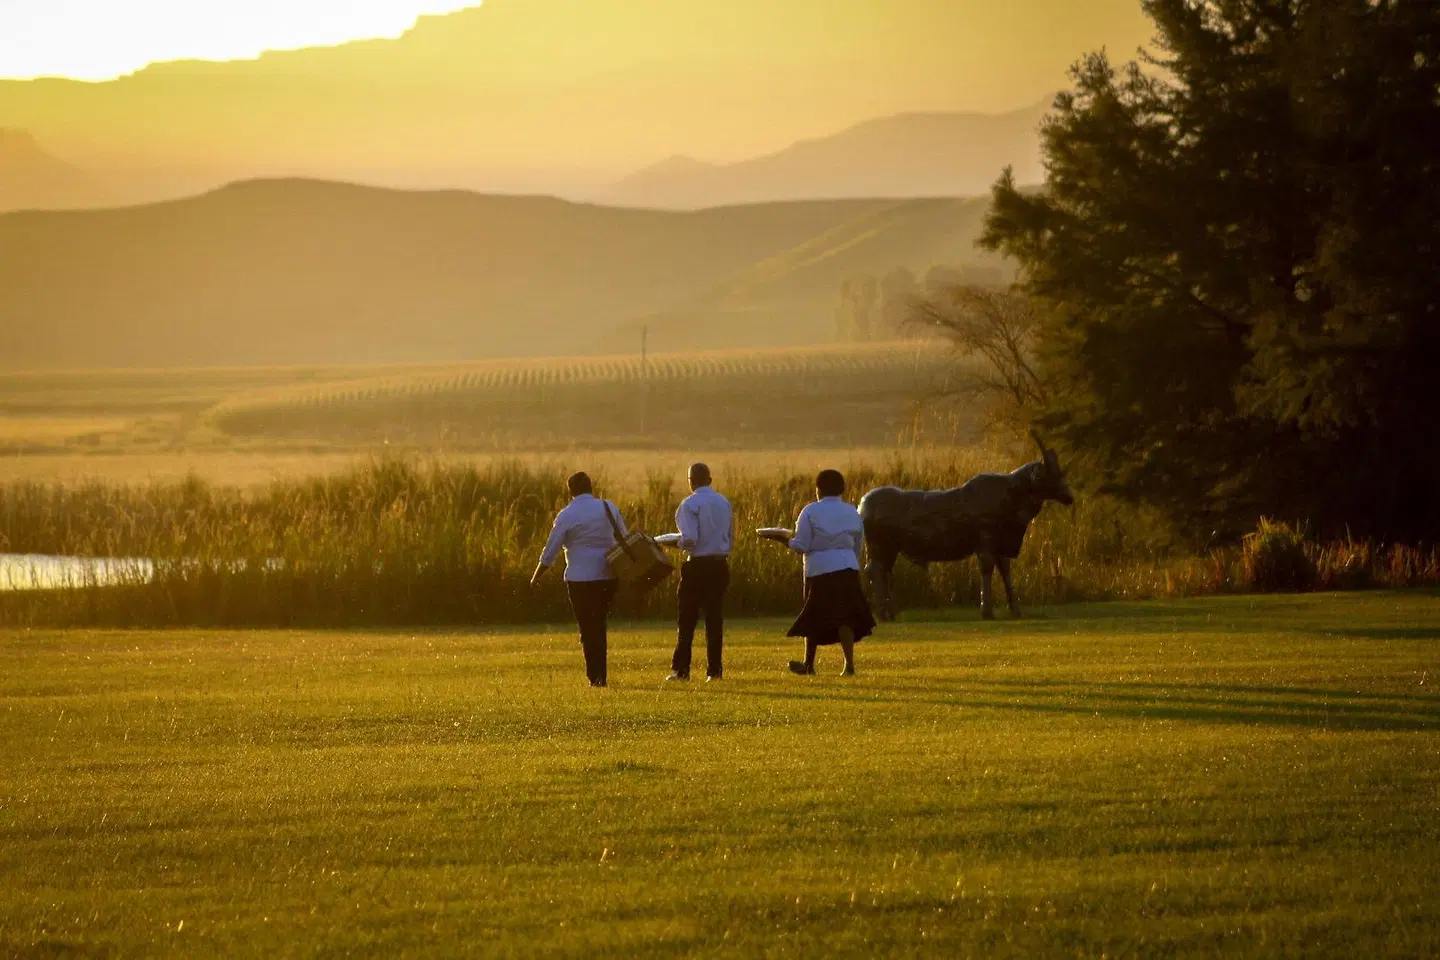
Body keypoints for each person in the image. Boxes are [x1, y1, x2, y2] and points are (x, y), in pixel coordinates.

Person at [530, 472, 626, 687]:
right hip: (607, 576)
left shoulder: (567, 515)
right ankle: (600, 674)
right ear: (592, 487)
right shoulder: (608, 508)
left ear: (570, 491)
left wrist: (536, 576)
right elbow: (625, 538)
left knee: (587, 627)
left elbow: (551, 550)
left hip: (579, 579)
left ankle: (595, 676)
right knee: (599, 624)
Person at [783, 469, 875, 677]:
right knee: (846, 618)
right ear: (842, 489)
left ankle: (809, 663)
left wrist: (785, 540)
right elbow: (859, 544)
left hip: (820, 568)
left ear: (818, 490)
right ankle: (848, 664)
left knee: (813, 615)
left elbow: (802, 545)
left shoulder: (810, 511)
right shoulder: (852, 511)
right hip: (847, 567)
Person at [667, 462, 733, 682]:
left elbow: (690, 539)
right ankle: (715, 670)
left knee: (687, 619)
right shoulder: (723, 502)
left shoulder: (689, 505)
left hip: (697, 566)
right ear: (710, 480)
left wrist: (674, 542)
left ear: (691, 482)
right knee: (714, 619)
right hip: (720, 565)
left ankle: (682, 669)